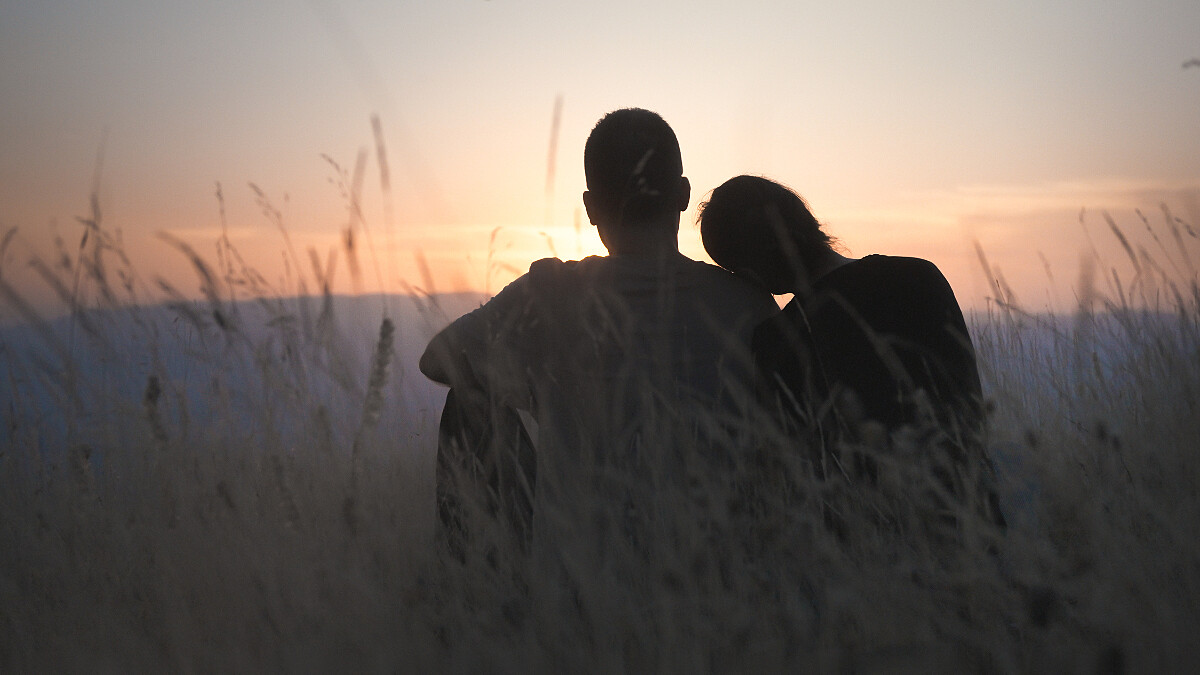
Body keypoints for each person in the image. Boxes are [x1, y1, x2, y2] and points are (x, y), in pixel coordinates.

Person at [420, 111, 778, 566]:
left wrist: (537, 390)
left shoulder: (550, 292)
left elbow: (437, 359)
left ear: (590, 208)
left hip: (580, 593)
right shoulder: (747, 302)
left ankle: (477, 590)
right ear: (684, 195)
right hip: (719, 588)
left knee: (468, 400)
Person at [698, 174, 1004, 532]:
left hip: (863, 547)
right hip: (970, 523)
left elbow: (792, 469)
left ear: (748, 268)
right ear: (803, 217)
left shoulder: (777, 340)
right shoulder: (919, 276)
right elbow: (969, 409)